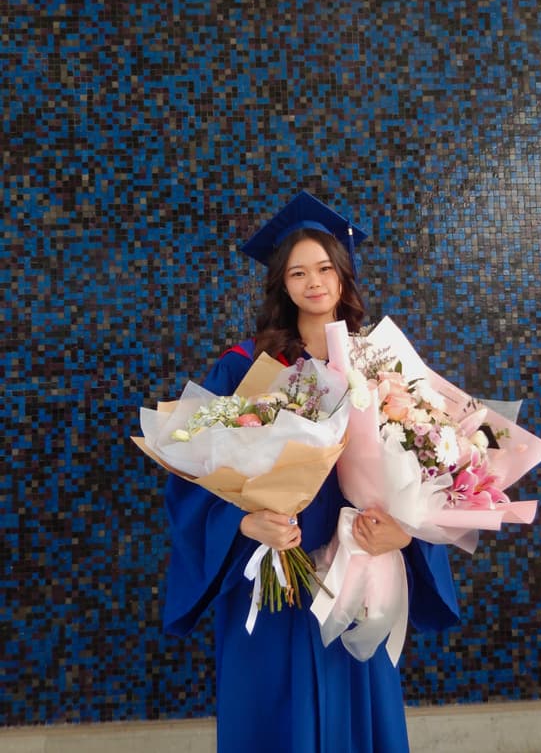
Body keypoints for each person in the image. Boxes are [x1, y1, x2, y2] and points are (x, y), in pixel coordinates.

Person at [163, 191, 460, 753]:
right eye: (297, 272)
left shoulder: (382, 365)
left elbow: (429, 468)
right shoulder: (245, 365)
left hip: (356, 572)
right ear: (282, 284)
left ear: (344, 276)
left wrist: (406, 532)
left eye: (325, 268)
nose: (314, 282)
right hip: (271, 574)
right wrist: (246, 526)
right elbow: (191, 472)